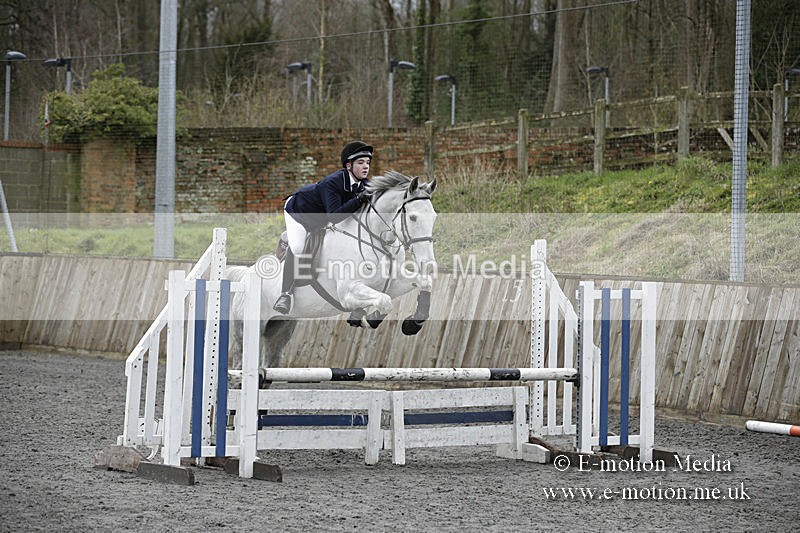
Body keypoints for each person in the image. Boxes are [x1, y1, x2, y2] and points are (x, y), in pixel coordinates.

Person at [273, 140, 374, 314]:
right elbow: (335, 216)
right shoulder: (333, 182)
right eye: (360, 162)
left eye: (368, 163)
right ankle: (285, 294)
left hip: (322, 217)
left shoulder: (365, 184)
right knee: (298, 247)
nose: (366, 167)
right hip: (300, 212)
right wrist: (358, 200)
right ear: (349, 166)